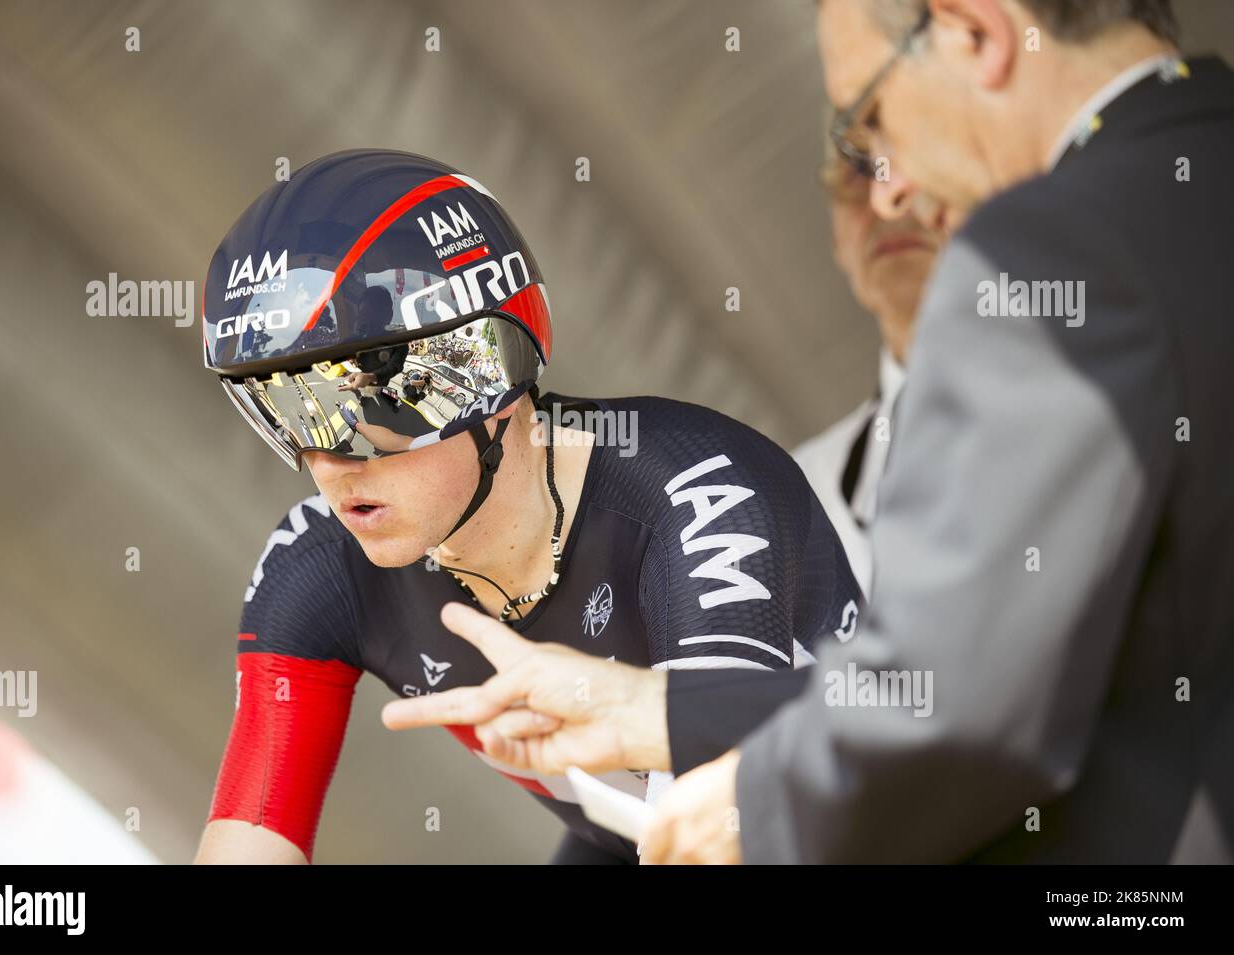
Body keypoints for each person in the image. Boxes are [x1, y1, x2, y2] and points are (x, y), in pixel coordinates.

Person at [383, 0, 1234, 864]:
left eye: (871, 117)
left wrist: (757, 802)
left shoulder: (1051, 246)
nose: (892, 186)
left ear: (974, 30)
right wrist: (665, 714)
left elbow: (963, 706)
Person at [194, 149, 862, 864]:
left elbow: (734, 819)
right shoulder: (317, 565)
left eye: (358, 403)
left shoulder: (698, 492)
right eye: (283, 412)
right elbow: (247, 843)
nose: (325, 463)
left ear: (487, 370)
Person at [796, 145, 940, 593]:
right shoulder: (794, 495)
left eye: (916, 158)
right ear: (838, 241)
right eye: (856, 172)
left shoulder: (1100, 410)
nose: (884, 198)